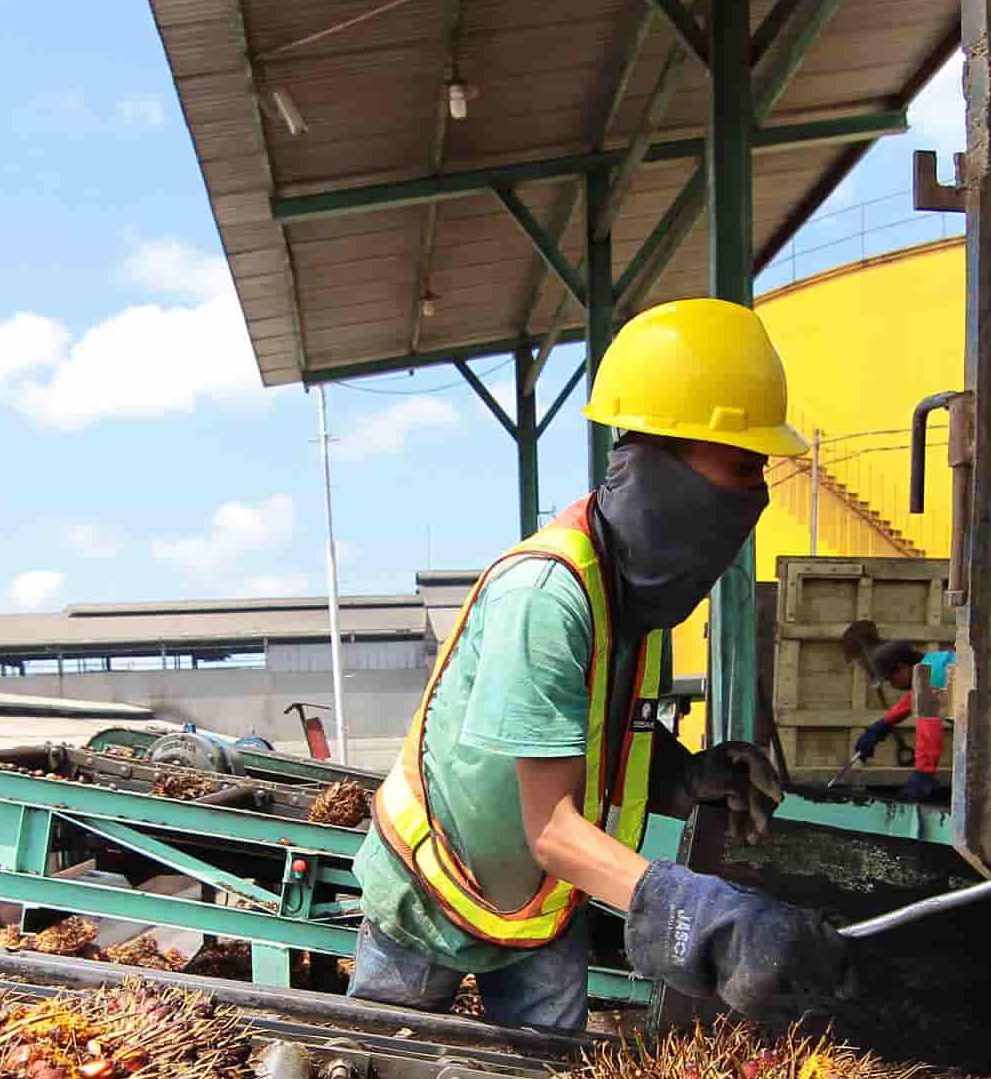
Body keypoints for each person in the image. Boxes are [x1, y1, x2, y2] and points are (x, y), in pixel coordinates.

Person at [349, 297, 843, 1033]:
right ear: (662, 464)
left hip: (543, 906)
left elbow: (595, 742)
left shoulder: (629, 600)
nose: (755, 497)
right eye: (742, 467)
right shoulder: (547, 595)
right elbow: (552, 827)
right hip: (436, 890)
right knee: (382, 1077)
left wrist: (686, 777)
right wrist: (698, 914)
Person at [852, 640, 950, 806]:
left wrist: (923, 773)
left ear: (902, 667)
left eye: (890, 679)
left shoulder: (928, 679)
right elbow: (916, 697)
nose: (892, 685)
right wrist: (883, 724)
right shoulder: (934, 663)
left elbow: (929, 732)